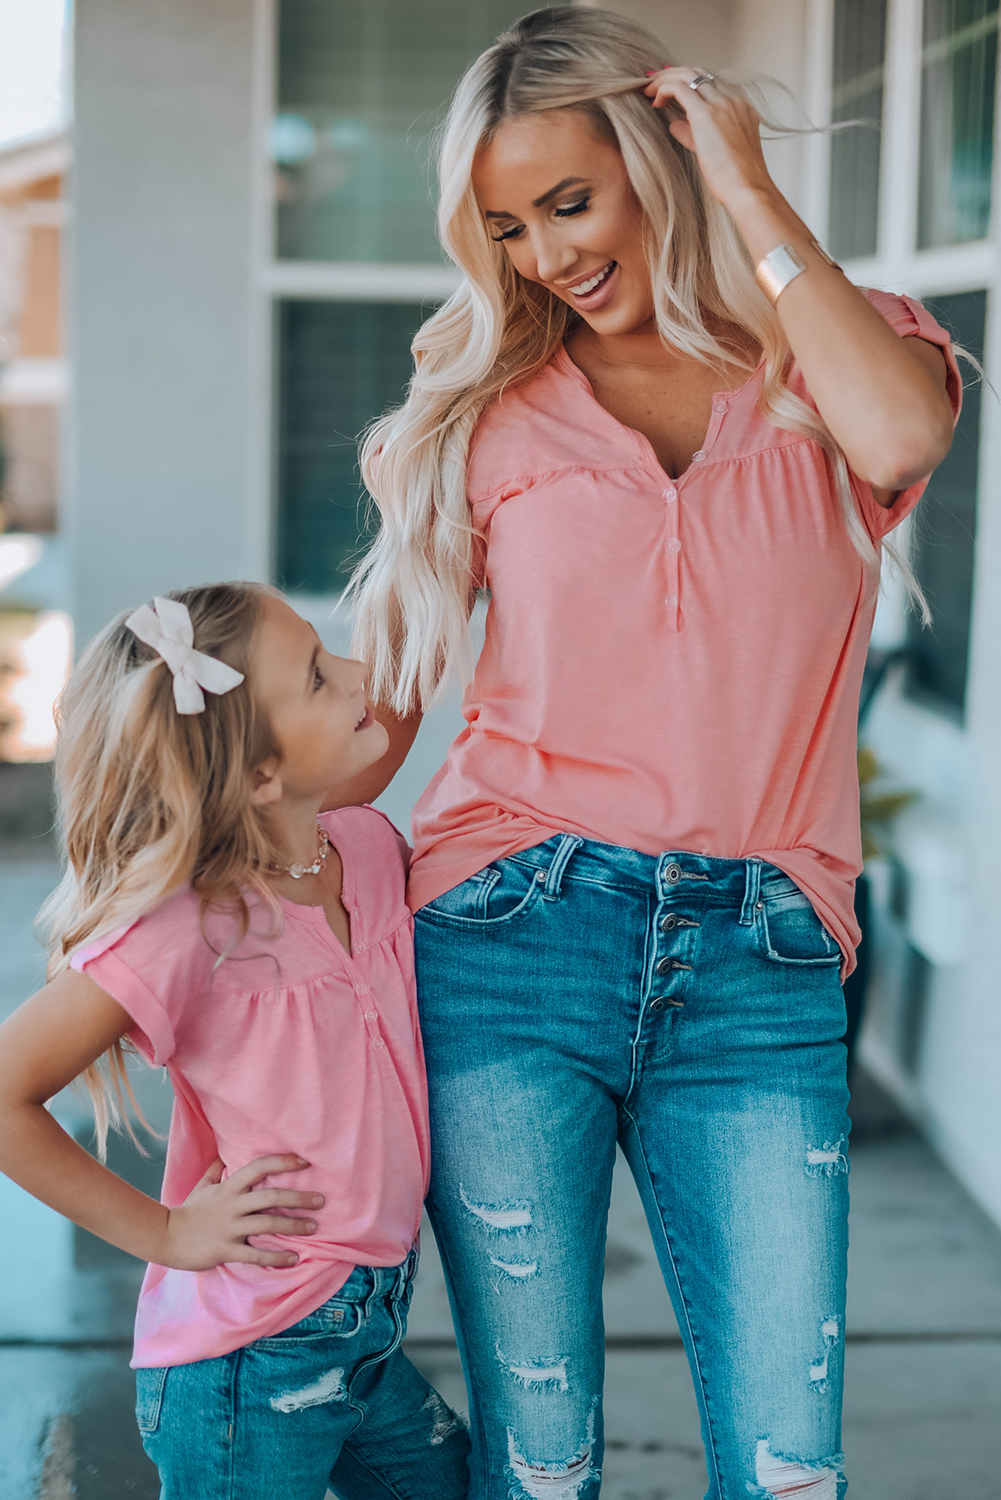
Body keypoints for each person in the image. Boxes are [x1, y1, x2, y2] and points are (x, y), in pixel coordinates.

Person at [338, 9, 962, 1498]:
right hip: (507, 935)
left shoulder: (833, 353)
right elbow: (388, 711)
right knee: (541, 1466)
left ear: (654, 162)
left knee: (789, 1466)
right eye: (507, 226)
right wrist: (189, 828)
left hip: (761, 960)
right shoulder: (484, 407)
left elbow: (897, 436)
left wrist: (748, 193)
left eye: (571, 201)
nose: (547, 254)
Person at [0, 583, 470, 1500]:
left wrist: (442, 568)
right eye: (320, 676)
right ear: (258, 776)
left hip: (363, 1329)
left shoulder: (363, 850)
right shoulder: (190, 927)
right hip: (249, 1362)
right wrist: (168, 1232)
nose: (357, 674)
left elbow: (389, 719)